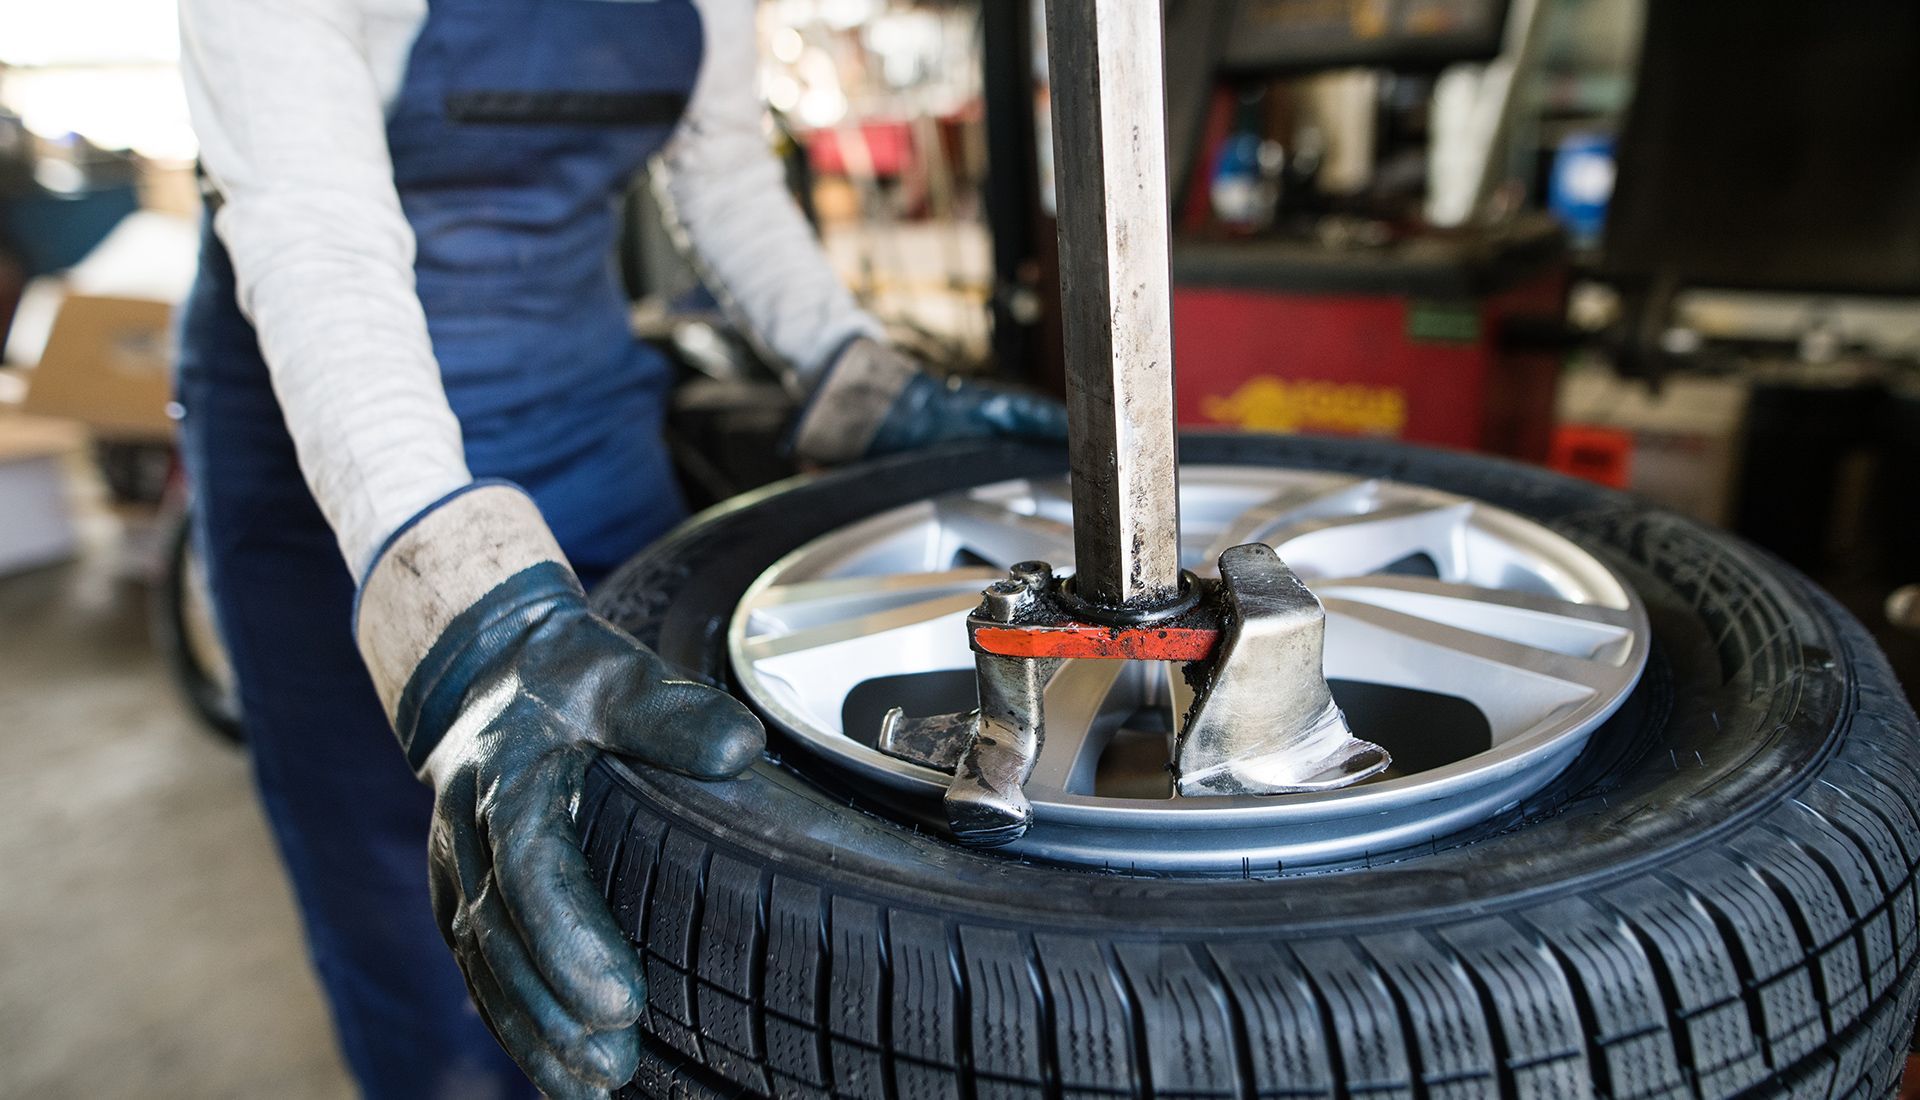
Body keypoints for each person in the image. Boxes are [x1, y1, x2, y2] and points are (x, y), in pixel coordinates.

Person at [173, 1, 1066, 1096]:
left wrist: (851, 365)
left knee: (670, 847)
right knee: (427, 909)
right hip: (338, 455)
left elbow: (723, 174)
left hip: (587, 414)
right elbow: (314, 226)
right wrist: (471, 630)